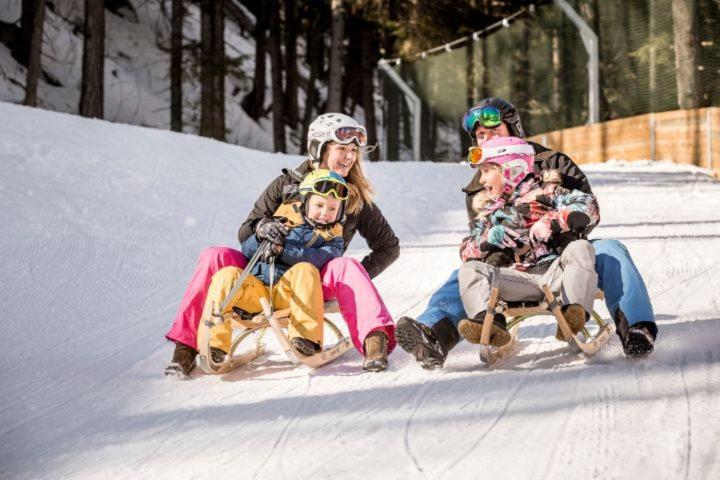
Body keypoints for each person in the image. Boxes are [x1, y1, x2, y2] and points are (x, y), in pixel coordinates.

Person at [396, 97, 657, 369]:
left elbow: (588, 209)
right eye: (480, 135)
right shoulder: (479, 185)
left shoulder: (552, 161)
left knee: (610, 251)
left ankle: (637, 328)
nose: (486, 140)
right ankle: (434, 334)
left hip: (562, 252)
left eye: (493, 132)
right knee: (465, 274)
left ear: (514, 129)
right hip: (513, 265)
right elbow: (479, 239)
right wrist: (495, 242)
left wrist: (551, 225)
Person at [165, 113, 399, 376]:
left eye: (354, 150)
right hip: (264, 268)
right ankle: (185, 347)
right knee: (214, 256)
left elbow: (388, 247)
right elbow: (246, 231)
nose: (350, 157)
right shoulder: (287, 184)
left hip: (312, 278)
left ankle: (374, 341)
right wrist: (262, 228)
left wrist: (353, 281)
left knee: (347, 266)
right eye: (342, 148)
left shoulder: (354, 198)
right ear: (319, 148)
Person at [193, 170, 348, 367]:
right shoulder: (281, 222)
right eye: (319, 205)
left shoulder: (333, 239)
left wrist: (283, 249)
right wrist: (260, 235)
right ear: (305, 201)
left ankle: (305, 338)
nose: (325, 213)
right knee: (226, 275)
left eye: (333, 209)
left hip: (290, 296)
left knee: (306, 269)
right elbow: (247, 252)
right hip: (257, 293)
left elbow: (318, 259)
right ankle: (214, 345)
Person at [456, 136, 600, 347]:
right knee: (469, 269)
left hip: (557, 274)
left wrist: (552, 220)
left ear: (511, 168)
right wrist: (487, 238)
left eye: (487, 171)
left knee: (581, 248)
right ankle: (489, 324)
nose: (482, 180)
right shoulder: (489, 211)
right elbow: (465, 251)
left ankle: (573, 314)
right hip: (514, 280)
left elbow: (590, 207)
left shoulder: (548, 192)